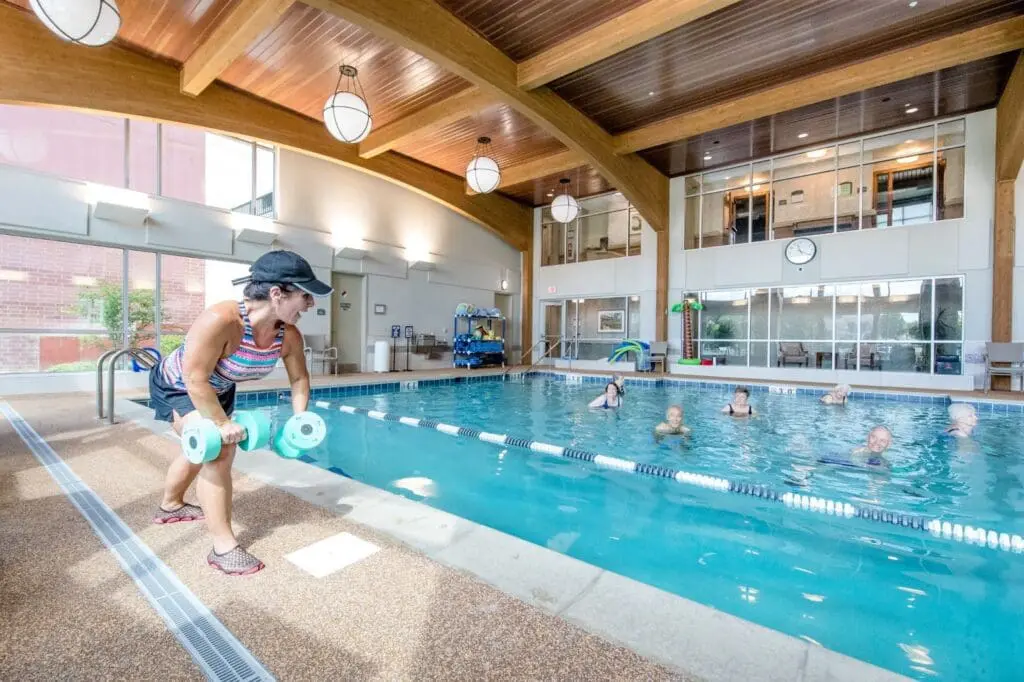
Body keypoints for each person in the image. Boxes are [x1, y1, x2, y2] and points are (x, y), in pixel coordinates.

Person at [148, 250, 332, 576]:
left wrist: (300, 416)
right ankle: (223, 548)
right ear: (277, 294)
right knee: (218, 448)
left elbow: (299, 379)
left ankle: (171, 505)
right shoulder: (221, 320)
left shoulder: (287, 334)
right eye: (305, 295)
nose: (310, 304)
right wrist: (219, 423)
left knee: (198, 449)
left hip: (218, 388)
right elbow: (194, 378)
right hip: (180, 384)